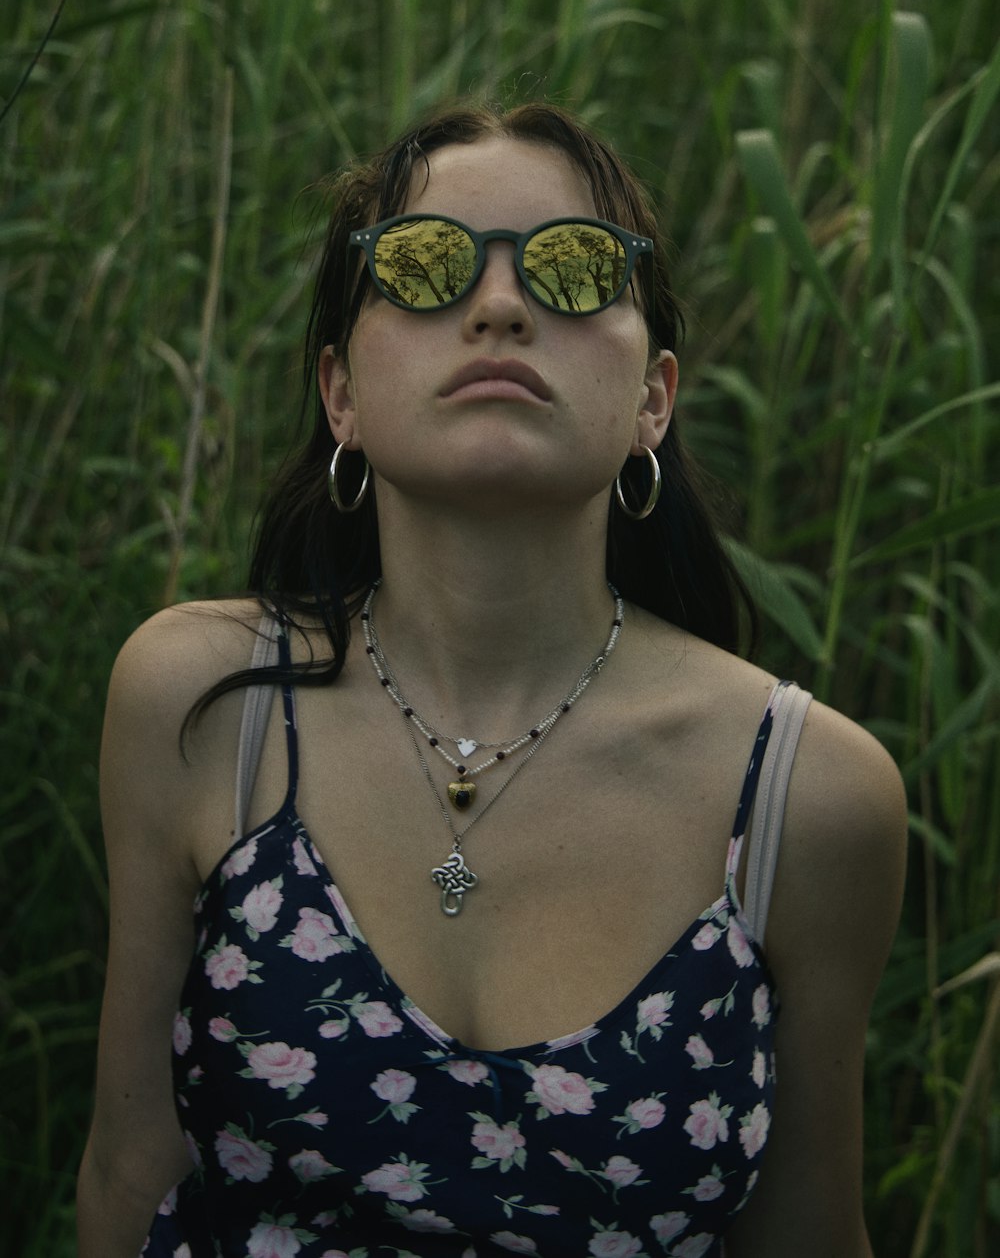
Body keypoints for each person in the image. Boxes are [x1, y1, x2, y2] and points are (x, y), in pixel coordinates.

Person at [77, 103, 907, 1258]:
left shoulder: (802, 795)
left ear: (652, 401)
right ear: (341, 396)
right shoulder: (209, 706)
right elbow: (128, 1179)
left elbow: (809, 1237)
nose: (502, 304)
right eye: (423, 268)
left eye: (573, 270)